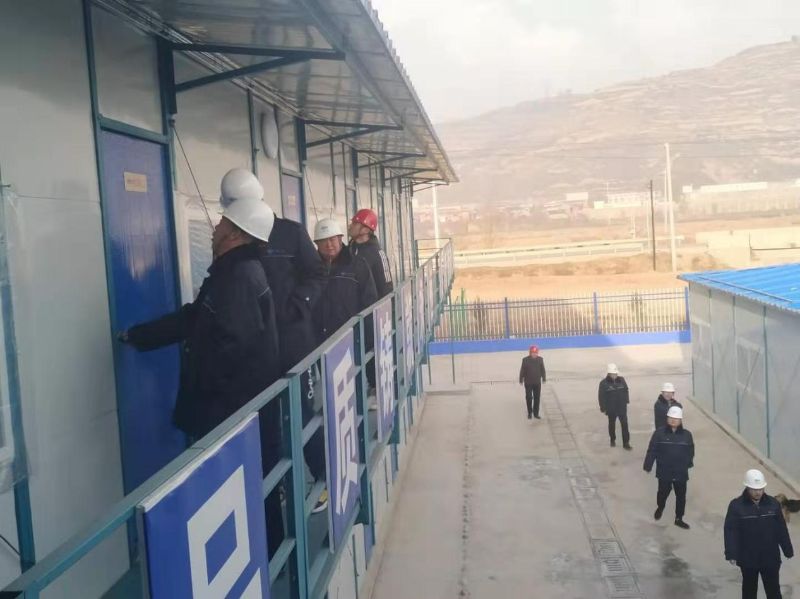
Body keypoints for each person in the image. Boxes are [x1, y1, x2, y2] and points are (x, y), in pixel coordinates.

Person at [120, 169, 285, 554]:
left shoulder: (238, 277)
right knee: (252, 488)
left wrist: (203, 398)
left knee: (244, 489)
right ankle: (267, 554)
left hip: (232, 413)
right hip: (240, 410)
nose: (213, 229)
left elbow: (232, 347)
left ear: (235, 235)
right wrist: (140, 336)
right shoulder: (237, 272)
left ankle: (268, 560)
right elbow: (194, 319)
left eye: (221, 223)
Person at [242, 170, 329, 513]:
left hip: (295, 343)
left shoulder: (290, 233)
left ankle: (323, 479)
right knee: (267, 418)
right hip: (260, 347)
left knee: (302, 413)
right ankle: (277, 484)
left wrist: (299, 305)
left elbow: (317, 273)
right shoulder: (244, 239)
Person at [725, 469, 794, 599]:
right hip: (748, 559)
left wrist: (787, 549)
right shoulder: (736, 506)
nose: (758, 492)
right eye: (754, 489)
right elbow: (731, 530)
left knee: (773, 591)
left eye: (761, 489)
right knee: (749, 591)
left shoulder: (773, 505)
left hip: (770, 558)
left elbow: (781, 529)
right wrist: (731, 553)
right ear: (747, 487)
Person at [312, 218, 378, 344]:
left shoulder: (358, 265)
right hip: (319, 342)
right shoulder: (310, 268)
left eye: (332, 239)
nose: (329, 245)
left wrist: (370, 341)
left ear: (340, 239)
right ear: (317, 244)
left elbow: (370, 302)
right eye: (323, 241)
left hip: (352, 339)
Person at [643, 406, 694, 530]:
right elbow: (652, 449)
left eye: (676, 418)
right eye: (671, 418)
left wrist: (687, 463)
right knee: (662, 492)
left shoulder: (687, 435)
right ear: (667, 418)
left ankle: (679, 518)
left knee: (681, 496)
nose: (673, 420)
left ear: (680, 420)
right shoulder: (659, 433)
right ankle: (660, 507)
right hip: (664, 470)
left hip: (680, 472)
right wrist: (648, 464)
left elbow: (690, 451)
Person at [349, 208, 393, 298]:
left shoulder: (377, 254)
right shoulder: (351, 249)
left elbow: (386, 289)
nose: (350, 226)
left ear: (365, 230)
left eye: (355, 223)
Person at [598, 363, 632, 449]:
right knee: (612, 424)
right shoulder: (603, 383)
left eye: (616, 373)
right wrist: (603, 408)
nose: (615, 375)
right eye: (613, 374)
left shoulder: (622, 380)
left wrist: (626, 401)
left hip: (622, 408)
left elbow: (626, 390)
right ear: (609, 373)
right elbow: (601, 397)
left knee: (625, 425)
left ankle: (626, 443)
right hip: (611, 409)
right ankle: (612, 439)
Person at [519, 345, 546, 420]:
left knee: (537, 398)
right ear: (530, 353)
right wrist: (521, 379)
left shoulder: (540, 359)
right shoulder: (525, 360)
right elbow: (522, 370)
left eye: (536, 352)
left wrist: (544, 378)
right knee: (529, 398)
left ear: (537, 353)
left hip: (537, 383)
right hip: (528, 383)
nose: (534, 354)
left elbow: (543, 370)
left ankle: (536, 413)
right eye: (533, 352)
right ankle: (530, 413)